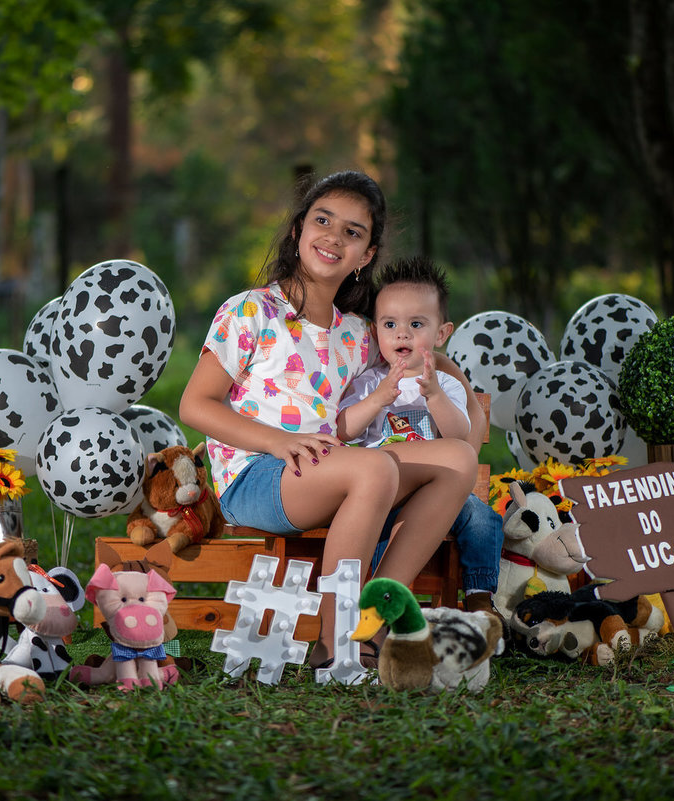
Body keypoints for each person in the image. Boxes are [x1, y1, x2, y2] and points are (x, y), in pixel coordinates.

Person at [179, 171, 482, 667]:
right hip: (256, 476)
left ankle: (376, 617)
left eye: (352, 232)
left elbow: (422, 352)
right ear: (298, 230)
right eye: (323, 221)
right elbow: (196, 405)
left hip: (330, 471)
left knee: (458, 458)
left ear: (365, 256)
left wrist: (462, 398)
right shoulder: (251, 311)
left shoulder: (358, 333)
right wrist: (278, 442)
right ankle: (334, 641)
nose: (334, 237)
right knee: (374, 467)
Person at [337, 256, 504, 616]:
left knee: (482, 517)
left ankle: (479, 595)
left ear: (441, 333)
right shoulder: (368, 383)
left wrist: (435, 397)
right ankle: (374, 599)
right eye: (390, 324)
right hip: (384, 494)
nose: (402, 334)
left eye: (416, 324)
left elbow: (459, 437)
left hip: (436, 495)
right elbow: (344, 429)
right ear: (375, 332)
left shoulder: (444, 384)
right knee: (375, 527)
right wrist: (377, 399)